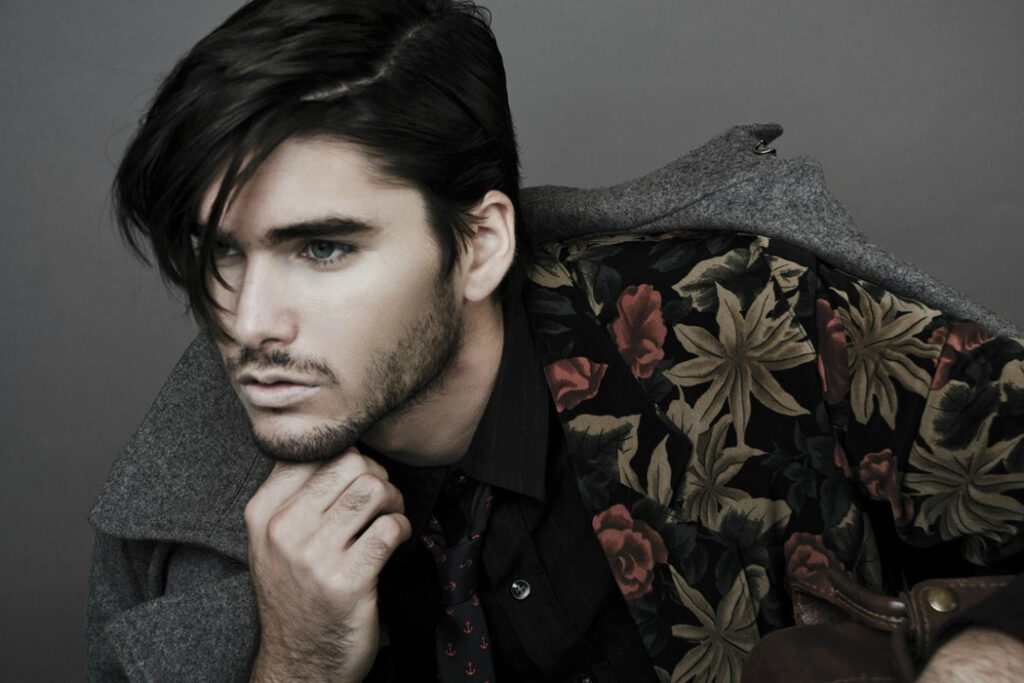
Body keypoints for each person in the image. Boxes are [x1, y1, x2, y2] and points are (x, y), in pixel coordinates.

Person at [87, 0, 1024, 680]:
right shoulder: (181, 523)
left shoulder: (734, 315)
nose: (249, 321)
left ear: (479, 245)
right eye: (222, 254)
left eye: (322, 248)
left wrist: (982, 649)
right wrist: (298, 662)